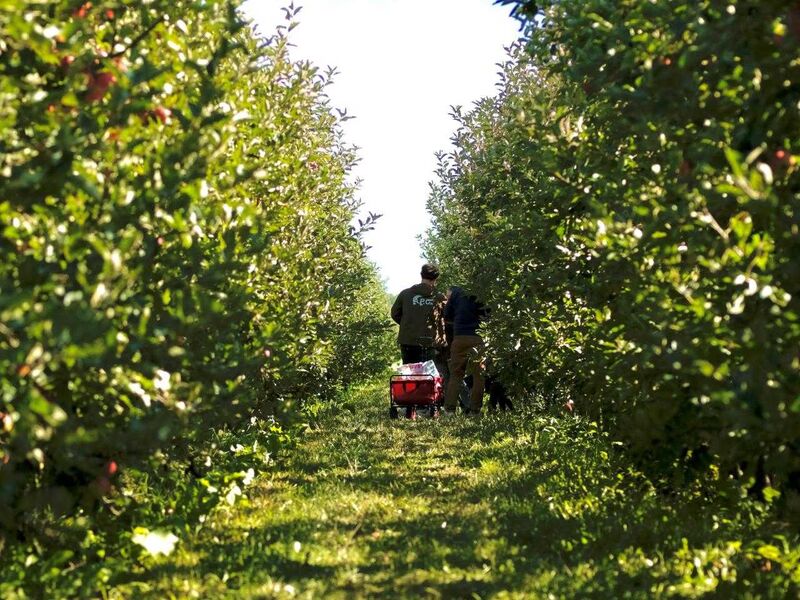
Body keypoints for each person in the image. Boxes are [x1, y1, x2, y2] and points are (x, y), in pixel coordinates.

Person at [390, 264, 447, 372]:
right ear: (436, 279)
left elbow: (394, 313)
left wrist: (407, 324)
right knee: (428, 378)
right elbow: (448, 316)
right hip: (430, 342)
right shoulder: (439, 297)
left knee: (410, 376)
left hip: (408, 340)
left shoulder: (405, 294)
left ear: (421, 275)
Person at [443, 286, 488, 415]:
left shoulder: (456, 293)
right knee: (479, 375)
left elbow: (446, 315)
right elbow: (488, 313)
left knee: (456, 375)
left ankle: (449, 410)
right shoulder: (481, 291)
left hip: (459, 337)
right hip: (478, 338)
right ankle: (475, 410)